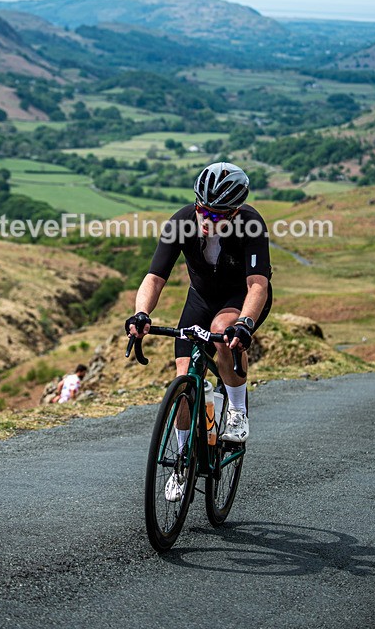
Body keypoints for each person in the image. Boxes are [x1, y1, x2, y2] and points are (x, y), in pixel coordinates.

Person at [126, 162, 272, 498]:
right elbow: (155, 277)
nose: (208, 221)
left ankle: (236, 410)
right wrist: (141, 313)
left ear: (235, 213)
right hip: (200, 299)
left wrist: (244, 323)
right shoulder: (181, 222)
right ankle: (183, 461)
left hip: (240, 299)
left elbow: (257, 286)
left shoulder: (251, 224)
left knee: (224, 331)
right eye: (203, 211)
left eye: (219, 216)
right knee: (183, 384)